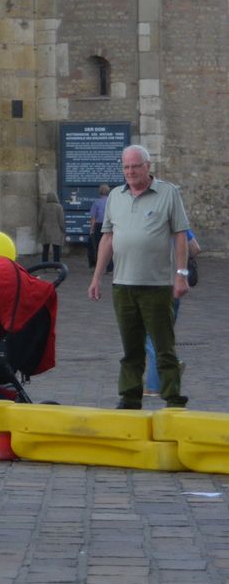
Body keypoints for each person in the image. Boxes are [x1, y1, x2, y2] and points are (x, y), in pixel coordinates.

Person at [88, 144, 190, 410]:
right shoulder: (115, 197)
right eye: (126, 167)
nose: (130, 171)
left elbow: (181, 235)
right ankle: (130, 397)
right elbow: (107, 238)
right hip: (123, 284)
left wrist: (181, 273)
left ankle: (173, 397)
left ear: (148, 166)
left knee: (163, 345)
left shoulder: (168, 193)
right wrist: (97, 277)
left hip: (157, 285)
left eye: (135, 166)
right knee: (130, 348)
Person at [145, 230, 200, 396]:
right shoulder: (181, 225)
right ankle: (163, 374)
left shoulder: (151, 223)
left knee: (150, 335)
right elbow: (196, 248)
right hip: (175, 283)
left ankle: (156, 384)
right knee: (164, 334)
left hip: (155, 281)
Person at [88, 183, 112, 271]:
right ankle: (109, 267)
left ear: (100, 192)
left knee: (98, 246)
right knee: (109, 246)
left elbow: (93, 217)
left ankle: (99, 267)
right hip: (109, 225)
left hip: (98, 226)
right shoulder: (111, 201)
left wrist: (91, 229)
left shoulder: (96, 202)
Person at [38, 192, 65, 262]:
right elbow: (61, 220)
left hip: (45, 230)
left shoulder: (44, 207)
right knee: (56, 249)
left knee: (45, 249)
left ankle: (44, 265)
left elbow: (40, 219)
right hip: (56, 230)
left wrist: (40, 227)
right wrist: (63, 229)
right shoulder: (59, 207)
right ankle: (57, 266)